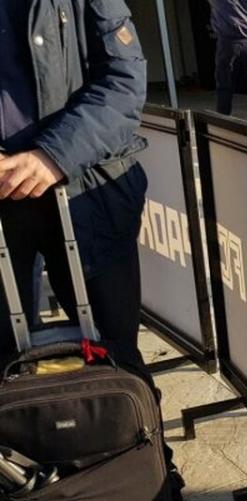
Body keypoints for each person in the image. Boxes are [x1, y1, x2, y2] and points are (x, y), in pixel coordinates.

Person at [0, 0, 148, 371]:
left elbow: (124, 81)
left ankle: (130, 428)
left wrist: (53, 156)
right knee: (5, 363)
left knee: (115, 356)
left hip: (88, 194)